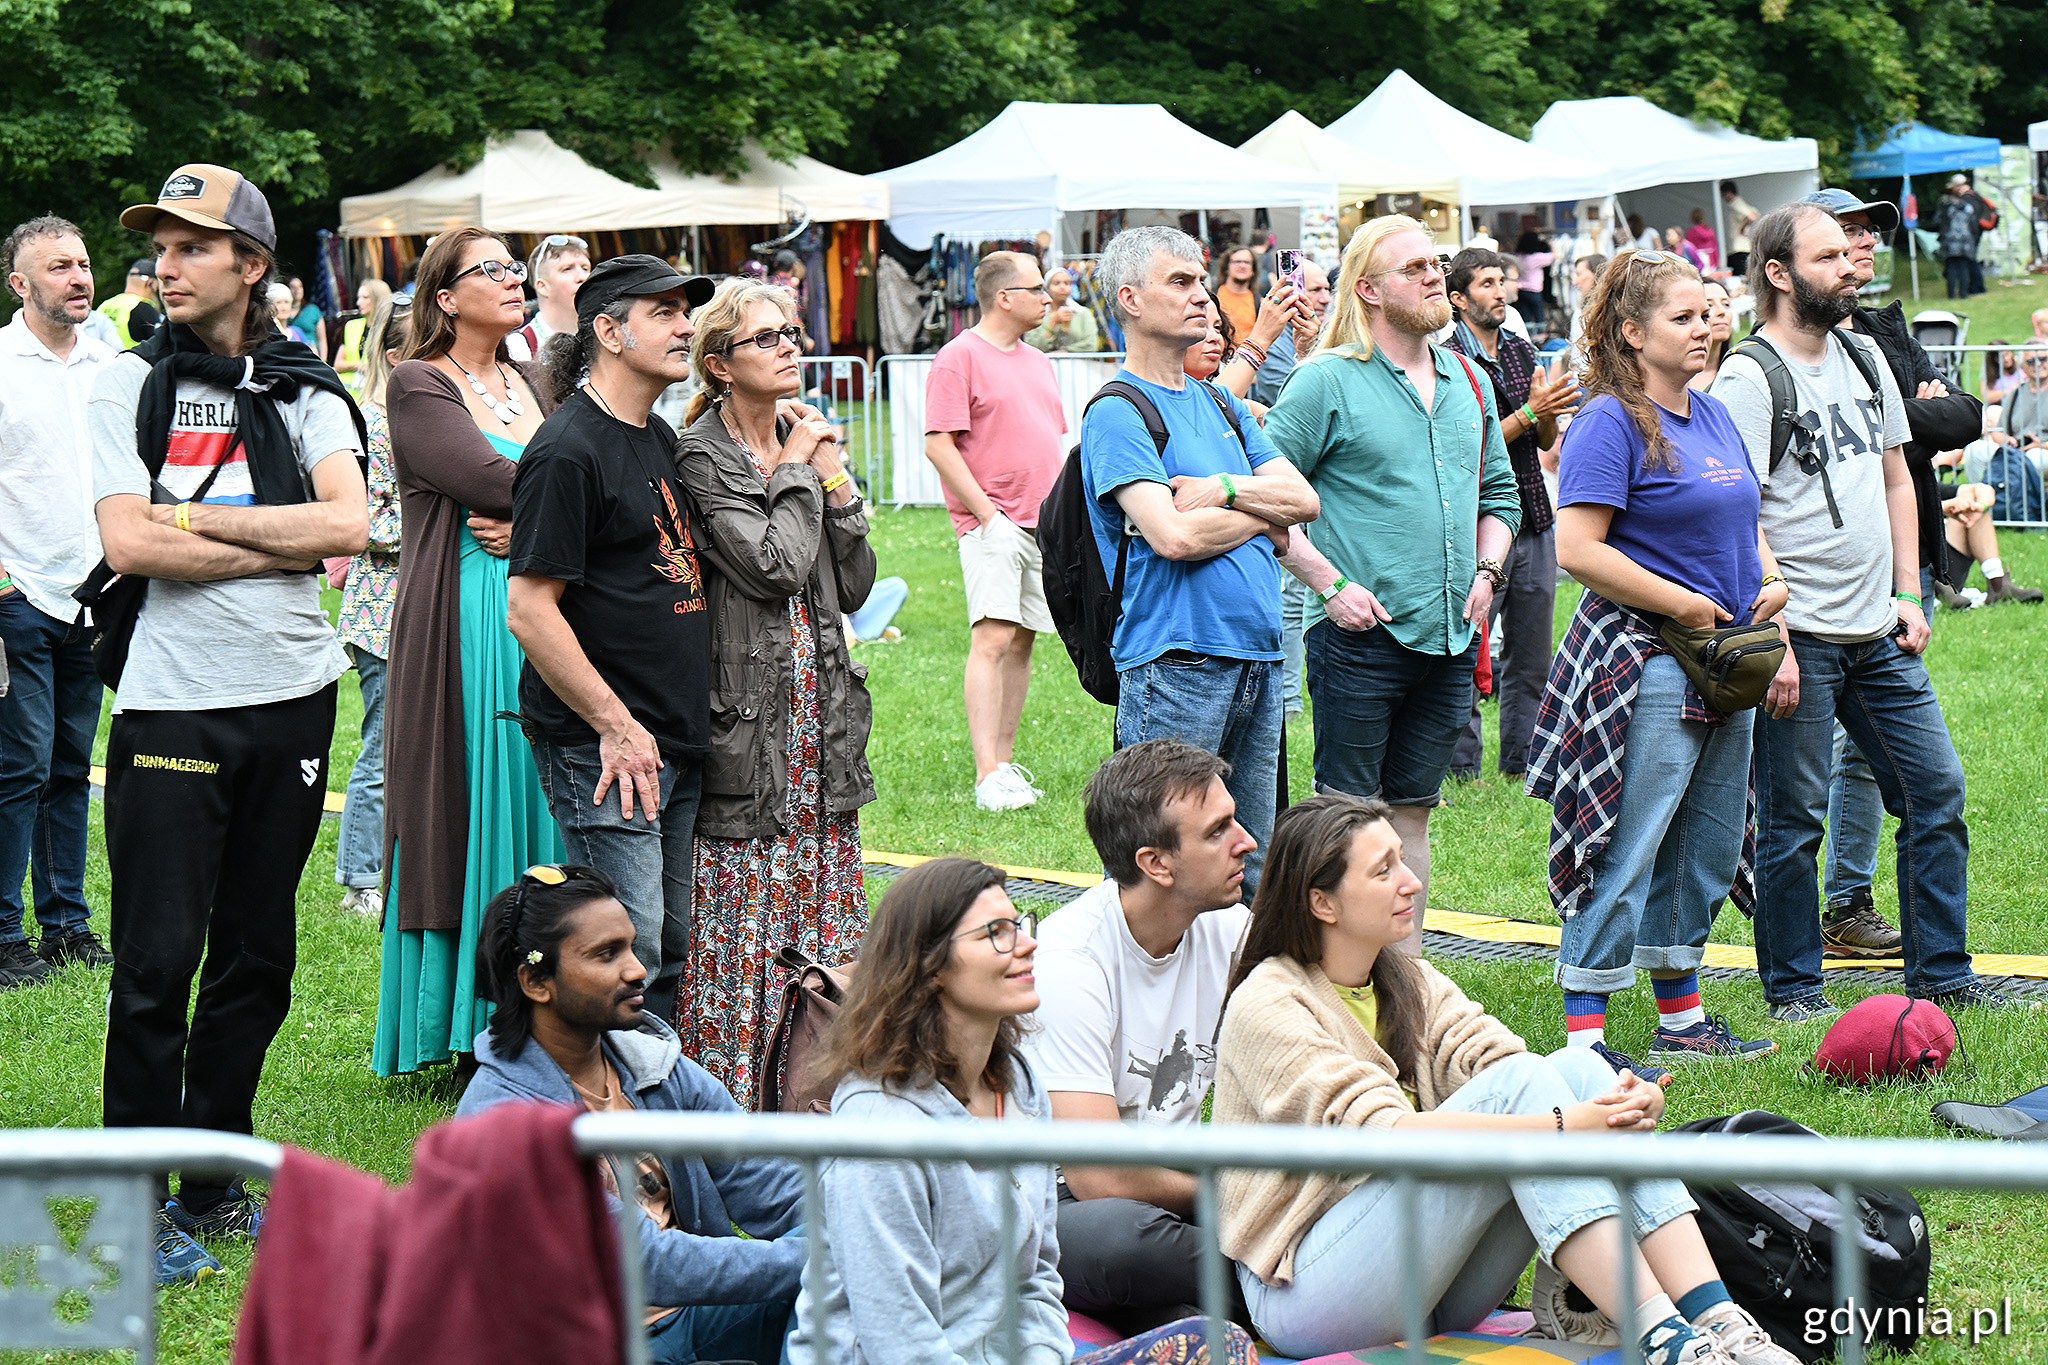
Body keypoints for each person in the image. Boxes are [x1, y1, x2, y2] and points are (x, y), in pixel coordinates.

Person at [1214, 794, 1801, 1365]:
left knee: (1576, 1068)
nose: (1411, 882)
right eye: (1383, 870)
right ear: (1323, 903)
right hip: (1307, 1297)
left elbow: (1508, 1067)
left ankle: (1719, 1322)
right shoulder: (1269, 1002)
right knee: (1536, 1092)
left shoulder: (1407, 980)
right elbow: (1384, 1135)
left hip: (1436, 1292)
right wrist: (1571, 1124)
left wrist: (1619, 1103)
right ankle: (1662, 1337)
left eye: (1402, 859)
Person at [90, 164, 368, 1278]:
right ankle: (131, 1199)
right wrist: (273, 532)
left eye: (194, 243)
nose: (168, 259)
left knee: (257, 954)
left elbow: (345, 522)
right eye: (161, 242)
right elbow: (127, 546)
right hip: (169, 701)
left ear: (252, 265)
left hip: (291, 695)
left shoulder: (306, 388)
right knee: (157, 959)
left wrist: (192, 512)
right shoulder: (125, 384)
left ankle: (209, 1182)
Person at [1712, 202, 2012, 1017]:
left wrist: (1910, 589)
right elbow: (1736, 515)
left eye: (1853, 254)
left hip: (1877, 627)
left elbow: (1892, 478)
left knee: (1934, 791)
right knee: (1792, 821)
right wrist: (1771, 626)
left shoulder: (1864, 356)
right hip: (1798, 632)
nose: (1855, 267)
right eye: (1830, 257)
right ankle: (1795, 992)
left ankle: (1944, 977)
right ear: (1778, 273)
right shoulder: (1748, 377)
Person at [788, 854, 1255, 1365]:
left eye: (1020, 925)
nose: (1029, 943)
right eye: (997, 933)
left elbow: (1036, 1280)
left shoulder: (1018, 1083)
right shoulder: (881, 1129)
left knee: (1217, 1347)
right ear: (929, 967)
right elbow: (898, 1341)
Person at [1531, 245, 1785, 1078]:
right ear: (1633, 332)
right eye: (1684, 317)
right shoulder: (1610, 419)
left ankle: (1682, 1015)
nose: (1706, 328)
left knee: (1705, 843)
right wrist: (1679, 601)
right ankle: (1584, 1042)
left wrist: (1771, 580)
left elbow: (1745, 518)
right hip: (1646, 660)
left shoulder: (1709, 413)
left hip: (1725, 658)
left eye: (1709, 313)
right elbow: (1576, 547)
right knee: (1627, 841)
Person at [1264, 216, 1520, 945]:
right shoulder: (1325, 380)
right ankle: (1332, 973)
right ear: (1369, 290)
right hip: (1358, 635)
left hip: (1447, 635)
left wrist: (1488, 567)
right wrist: (1327, 583)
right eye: (1413, 268)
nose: (1433, 275)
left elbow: (1500, 498)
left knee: (1412, 813)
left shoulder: (1468, 379)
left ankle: (1402, 980)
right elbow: (1265, 490)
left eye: (1435, 263)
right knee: (1348, 819)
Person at [1797, 187, 2029, 957]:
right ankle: (1819, 918)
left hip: (1902, 563)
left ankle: (1846, 905)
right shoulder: (1783, 348)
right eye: (1844, 234)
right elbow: (1889, 434)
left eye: (1867, 233)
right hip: (1819, 575)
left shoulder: (1887, 327)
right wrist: (1908, 414)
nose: (1862, 245)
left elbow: (1964, 416)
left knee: (1870, 756)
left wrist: (1901, 418)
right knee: (1810, 767)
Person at [458, 864, 808, 1365]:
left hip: (691, 1316)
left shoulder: (656, 1068)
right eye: (606, 954)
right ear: (537, 981)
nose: (637, 969)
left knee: (841, 1262)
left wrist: (850, 1233)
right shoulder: (502, 1122)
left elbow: (773, 1182)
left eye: (630, 945)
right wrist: (825, 1259)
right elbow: (643, 1261)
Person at [674, 281, 876, 1107]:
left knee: (821, 909)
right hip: (747, 722)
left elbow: (855, 581)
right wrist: (797, 470)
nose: (790, 345)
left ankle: (816, 1091)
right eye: (766, 338)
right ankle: (733, 1102)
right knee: (746, 917)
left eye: (791, 331)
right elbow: (771, 564)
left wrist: (833, 481)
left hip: (819, 719)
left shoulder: (802, 442)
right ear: (720, 366)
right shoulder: (700, 455)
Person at [508, 255, 716, 1026]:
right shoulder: (568, 449)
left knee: (664, 944)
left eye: (684, 311)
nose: (685, 326)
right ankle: (595, 1131)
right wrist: (615, 724)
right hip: (607, 746)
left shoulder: (656, 435)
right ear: (608, 329)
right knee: (620, 956)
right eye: (663, 312)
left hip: (668, 738)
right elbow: (530, 610)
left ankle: (645, 1120)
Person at [1080, 226, 1319, 894]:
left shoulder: (1219, 400)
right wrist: (1260, 517)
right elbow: (1172, 537)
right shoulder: (1119, 412)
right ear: (1129, 299)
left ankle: (1229, 1001)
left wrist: (1227, 490)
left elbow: (1303, 499)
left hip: (1259, 657)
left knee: (1246, 867)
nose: (1202, 298)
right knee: (1159, 864)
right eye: (1179, 282)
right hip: (1176, 660)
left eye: (1200, 281)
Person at [375, 226, 562, 1077]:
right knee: (472, 797)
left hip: (541, 603)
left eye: (514, 267)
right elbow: (489, 479)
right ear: (445, 297)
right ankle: (467, 1021)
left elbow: (561, 480)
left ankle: (545, 1008)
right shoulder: (419, 383)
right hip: (466, 618)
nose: (512, 279)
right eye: (490, 269)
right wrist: (558, 504)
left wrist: (543, 518)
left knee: (537, 796)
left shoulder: (534, 378)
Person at [1025, 739, 1256, 1332]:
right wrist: (1234, 1195)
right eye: (1218, 830)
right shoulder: (1069, 960)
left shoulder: (1229, 929)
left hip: (1173, 1193)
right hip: (1062, 1205)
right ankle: (1288, 1300)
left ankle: (1193, 1315)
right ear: (1157, 863)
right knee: (1121, 1244)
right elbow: (1099, 1177)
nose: (1247, 841)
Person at [0, 216, 117, 988]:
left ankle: (67, 923)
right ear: (21, 284)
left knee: (72, 764)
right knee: (19, 765)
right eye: (59, 267)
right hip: (19, 592)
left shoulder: (111, 362)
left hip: (94, 597)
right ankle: (5, 933)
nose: (78, 278)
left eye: (82, 264)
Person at [922, 250, 1065, 812]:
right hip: (995, 523)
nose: (1048, 297)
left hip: (1040, 523)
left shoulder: (1038, 361)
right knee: (994, 638)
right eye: (1036, 289)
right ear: (1005, 297)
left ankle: (1005, 766)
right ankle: (987, 776)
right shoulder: (959, 358)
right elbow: (939, 443)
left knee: (1023, 639)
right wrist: (987, 515)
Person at [1444, 247, 1579, 781]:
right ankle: (1460, 768)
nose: (1501, 291)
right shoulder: (1447, 361)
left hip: (1535, 517)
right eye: (1486, 283)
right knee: (1466, 650)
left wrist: (1545, 416)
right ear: (1458, 298)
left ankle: (1521, 763)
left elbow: (1544, 438)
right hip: (1479, 522)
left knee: (1531, 655)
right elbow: (1471, 447)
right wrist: (1530, 413)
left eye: (1504, 280)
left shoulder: (1523, 352)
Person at [333, 295, 408, 919]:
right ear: (392, 356)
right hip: (382, 613)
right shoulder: (371, 425)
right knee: (383, 746)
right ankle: (361, 877)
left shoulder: (424, 417)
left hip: (419, 607)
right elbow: (360, 521)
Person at [509, 232, 592, 361]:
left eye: (585, 268)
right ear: (542, 287)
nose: (582, 277)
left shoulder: (603, 338)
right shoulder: (519, 346)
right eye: (567, 269)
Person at [333, 277, 394, 396]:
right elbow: (338, 364)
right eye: (358, 298)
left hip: (377, 395)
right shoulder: (351, 326)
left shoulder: (390, 329)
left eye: (365, 297)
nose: (358, 303)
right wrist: (357, 366)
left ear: (379, 300)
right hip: (350, 396)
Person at [1022, 265, 1101, 353]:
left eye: (1066, 283)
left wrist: (1066, 352)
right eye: (1057, 283)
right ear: (1047, 288)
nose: (1062, 287)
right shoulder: (1037, 314)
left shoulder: (1082, 313)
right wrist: (1053, 321)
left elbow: (1091, 344)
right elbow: (1033, 346)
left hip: (1079, 365)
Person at [97, 257, 162, 347]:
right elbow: (161, 345)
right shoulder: (144, 308)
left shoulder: (104, 305)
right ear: (150, 283)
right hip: (134, 360)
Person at [1933, 177, 1979, 301]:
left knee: (1952, 267)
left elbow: (1937, 221)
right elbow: (1973, 224)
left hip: (1949, 240)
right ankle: (1963, 294)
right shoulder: (1968, 207)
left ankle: (1951, 295)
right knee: (1963, 267)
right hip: (1966, 240)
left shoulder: (1945, 206)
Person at [1993, 343, 2047, 447]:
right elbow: (1998, 432)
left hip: (2043, 450)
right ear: (2023, 367)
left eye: (2043, 359)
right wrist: (2008, 440)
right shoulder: (2016, 392)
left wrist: (2041, 446)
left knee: (2035, 455)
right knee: (1976, 450)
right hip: (2017, 450)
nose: (2038, 364)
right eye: (2031, 361)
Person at [1686, 278, 1733, 391]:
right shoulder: (1673, 378)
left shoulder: (1739, 371)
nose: (1722, 311)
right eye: (1709, 305)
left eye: (1726, 304)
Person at [1212, 245, 1260, 343]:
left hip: (1247, 356)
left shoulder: (1259, 302)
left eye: (1247, 262)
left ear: (1253, 270)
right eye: (1237, 261)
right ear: (1226, 268)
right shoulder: (1212, 298)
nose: (1242, 265)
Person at [1515, 227, 1555, 327]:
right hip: (1534, 290)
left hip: (1521, 289)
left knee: (1525, 319)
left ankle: (1528, 338)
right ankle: (1540, 339)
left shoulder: (1518, 257)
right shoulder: (1537, 257)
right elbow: (1554, 256)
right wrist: (1551, 244)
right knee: (1539, 318)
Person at [1721, 182, 1760, 277]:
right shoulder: (1740, 202)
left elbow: (1752, 217)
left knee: (1739, 276)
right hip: (1743, 247)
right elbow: (1756, 213)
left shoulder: (1735, 203)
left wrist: (1741, 228)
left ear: (1728, 193)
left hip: (1738, 248)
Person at [286, 275, 325, 356]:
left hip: (312, 355)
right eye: (293, 287)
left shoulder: (313, 310)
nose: (297, 290)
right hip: (291, 355)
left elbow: (322, 340)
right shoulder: (282, 312)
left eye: (300, 287)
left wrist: (323, 361)